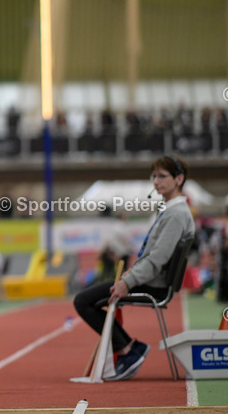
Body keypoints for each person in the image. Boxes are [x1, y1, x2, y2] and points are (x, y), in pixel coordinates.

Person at [73, 156, 195, 381]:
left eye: (162, 176)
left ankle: (127, 350)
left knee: (82, 301)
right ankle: (130, 347)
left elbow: (158, 258)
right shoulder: (170, 210)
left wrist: (127, 282)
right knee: (87, 299)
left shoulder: (176, 213)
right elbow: (154, 255)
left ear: (179, 179)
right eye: (154, 176)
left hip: (154, 285)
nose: (156, 181)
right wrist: (132, 273)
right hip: (150, 279)